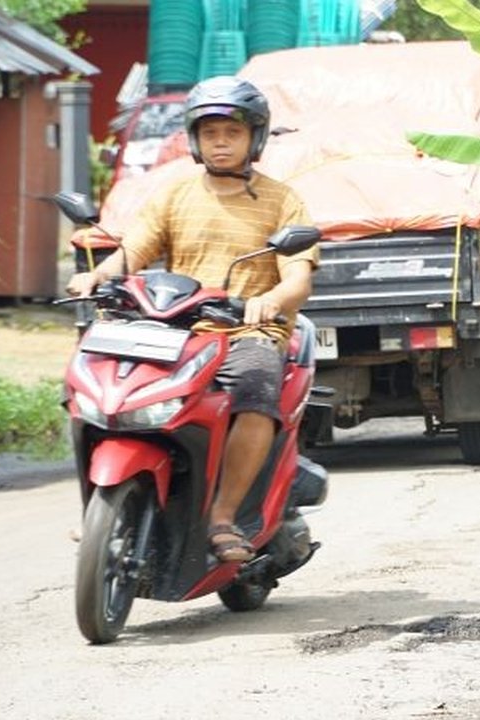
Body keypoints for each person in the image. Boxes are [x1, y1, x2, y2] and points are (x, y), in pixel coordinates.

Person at [66, 76, 319, 564]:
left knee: (256, 391)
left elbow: (297, 279)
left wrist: (270, 300)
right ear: (196, 139)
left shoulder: (282, 200)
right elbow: (133, 251)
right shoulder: (173, 194)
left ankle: (222, 517)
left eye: (232, 132)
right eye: (210, 133)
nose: (220, 142)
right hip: (176, 326)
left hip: (246, 330)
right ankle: (97, 503)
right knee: (89, 381)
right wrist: (96, 276)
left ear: (255, 139)